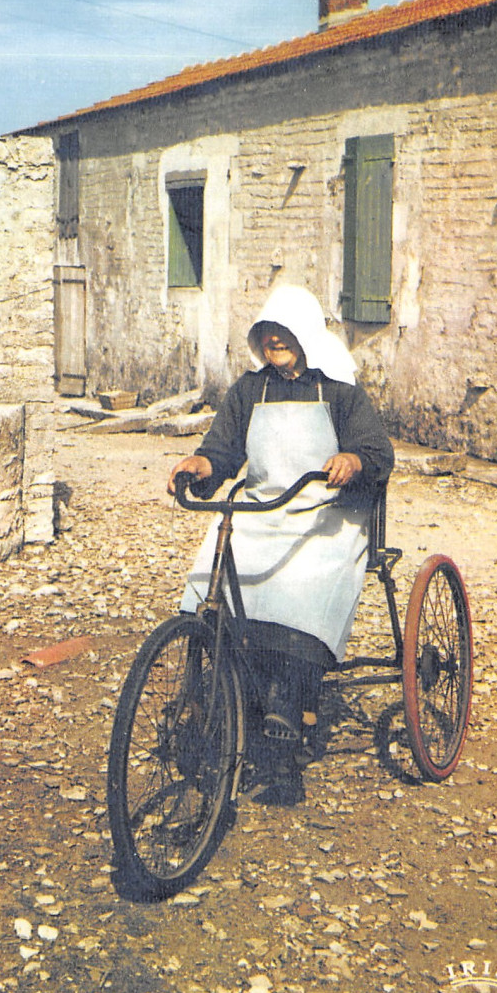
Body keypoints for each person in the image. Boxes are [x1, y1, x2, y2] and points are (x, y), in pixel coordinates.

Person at [167, 285, 394, 805]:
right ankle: (224, 703)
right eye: (268, 336)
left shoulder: (339, 392)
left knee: (300, 587)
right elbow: (221, 450)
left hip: (325, 515)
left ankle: (283, 723)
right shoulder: (250, 390)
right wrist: (200, 466)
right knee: (213, 580)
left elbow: (375, 450)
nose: (275, 343)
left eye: (285, 335)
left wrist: (353, 461)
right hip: (262, 509)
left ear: (305, 337)